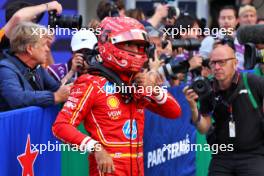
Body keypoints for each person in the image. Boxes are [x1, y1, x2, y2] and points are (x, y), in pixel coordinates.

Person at [52, 17, 182, 176]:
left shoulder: (137, 81)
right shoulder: (91, 83)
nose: (135, 50)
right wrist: (96, 148)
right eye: (129, 44)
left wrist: (154, 89)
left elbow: (175, 112)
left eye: (139, 46)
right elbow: (60, 127)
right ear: (109, 43)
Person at [184, 42, 264, 176]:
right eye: (213, 63)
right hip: (222, 156)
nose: (217, 67)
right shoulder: (208, 88)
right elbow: (203, 128)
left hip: (253, 155)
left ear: (235, 63)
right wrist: (193, 106)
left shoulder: (253, 82)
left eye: (222, 62)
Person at [0, 22, 70, 111]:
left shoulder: (37, 67)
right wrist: (54, 97)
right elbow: (17, 99)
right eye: (44, 44)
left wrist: (75, 85)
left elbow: (56, 87)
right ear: (29, 49)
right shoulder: (5, 70)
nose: (47, 49)